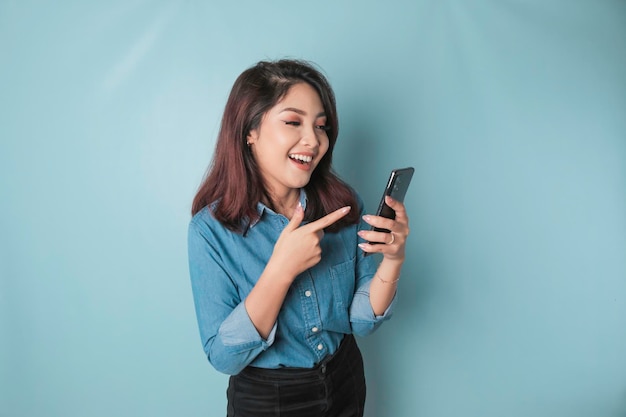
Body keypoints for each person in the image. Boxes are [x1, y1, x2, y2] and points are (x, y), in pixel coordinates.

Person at [188, 59, 410, 417]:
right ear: (250, 131)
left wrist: (394, 260)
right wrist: (280, 270)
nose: (313, 140)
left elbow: (362, 321)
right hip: (268, 399)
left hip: (344, 378)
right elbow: (224, 357)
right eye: (293, 122)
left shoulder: (344, 205)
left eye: (321, 126)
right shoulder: (210, 230)